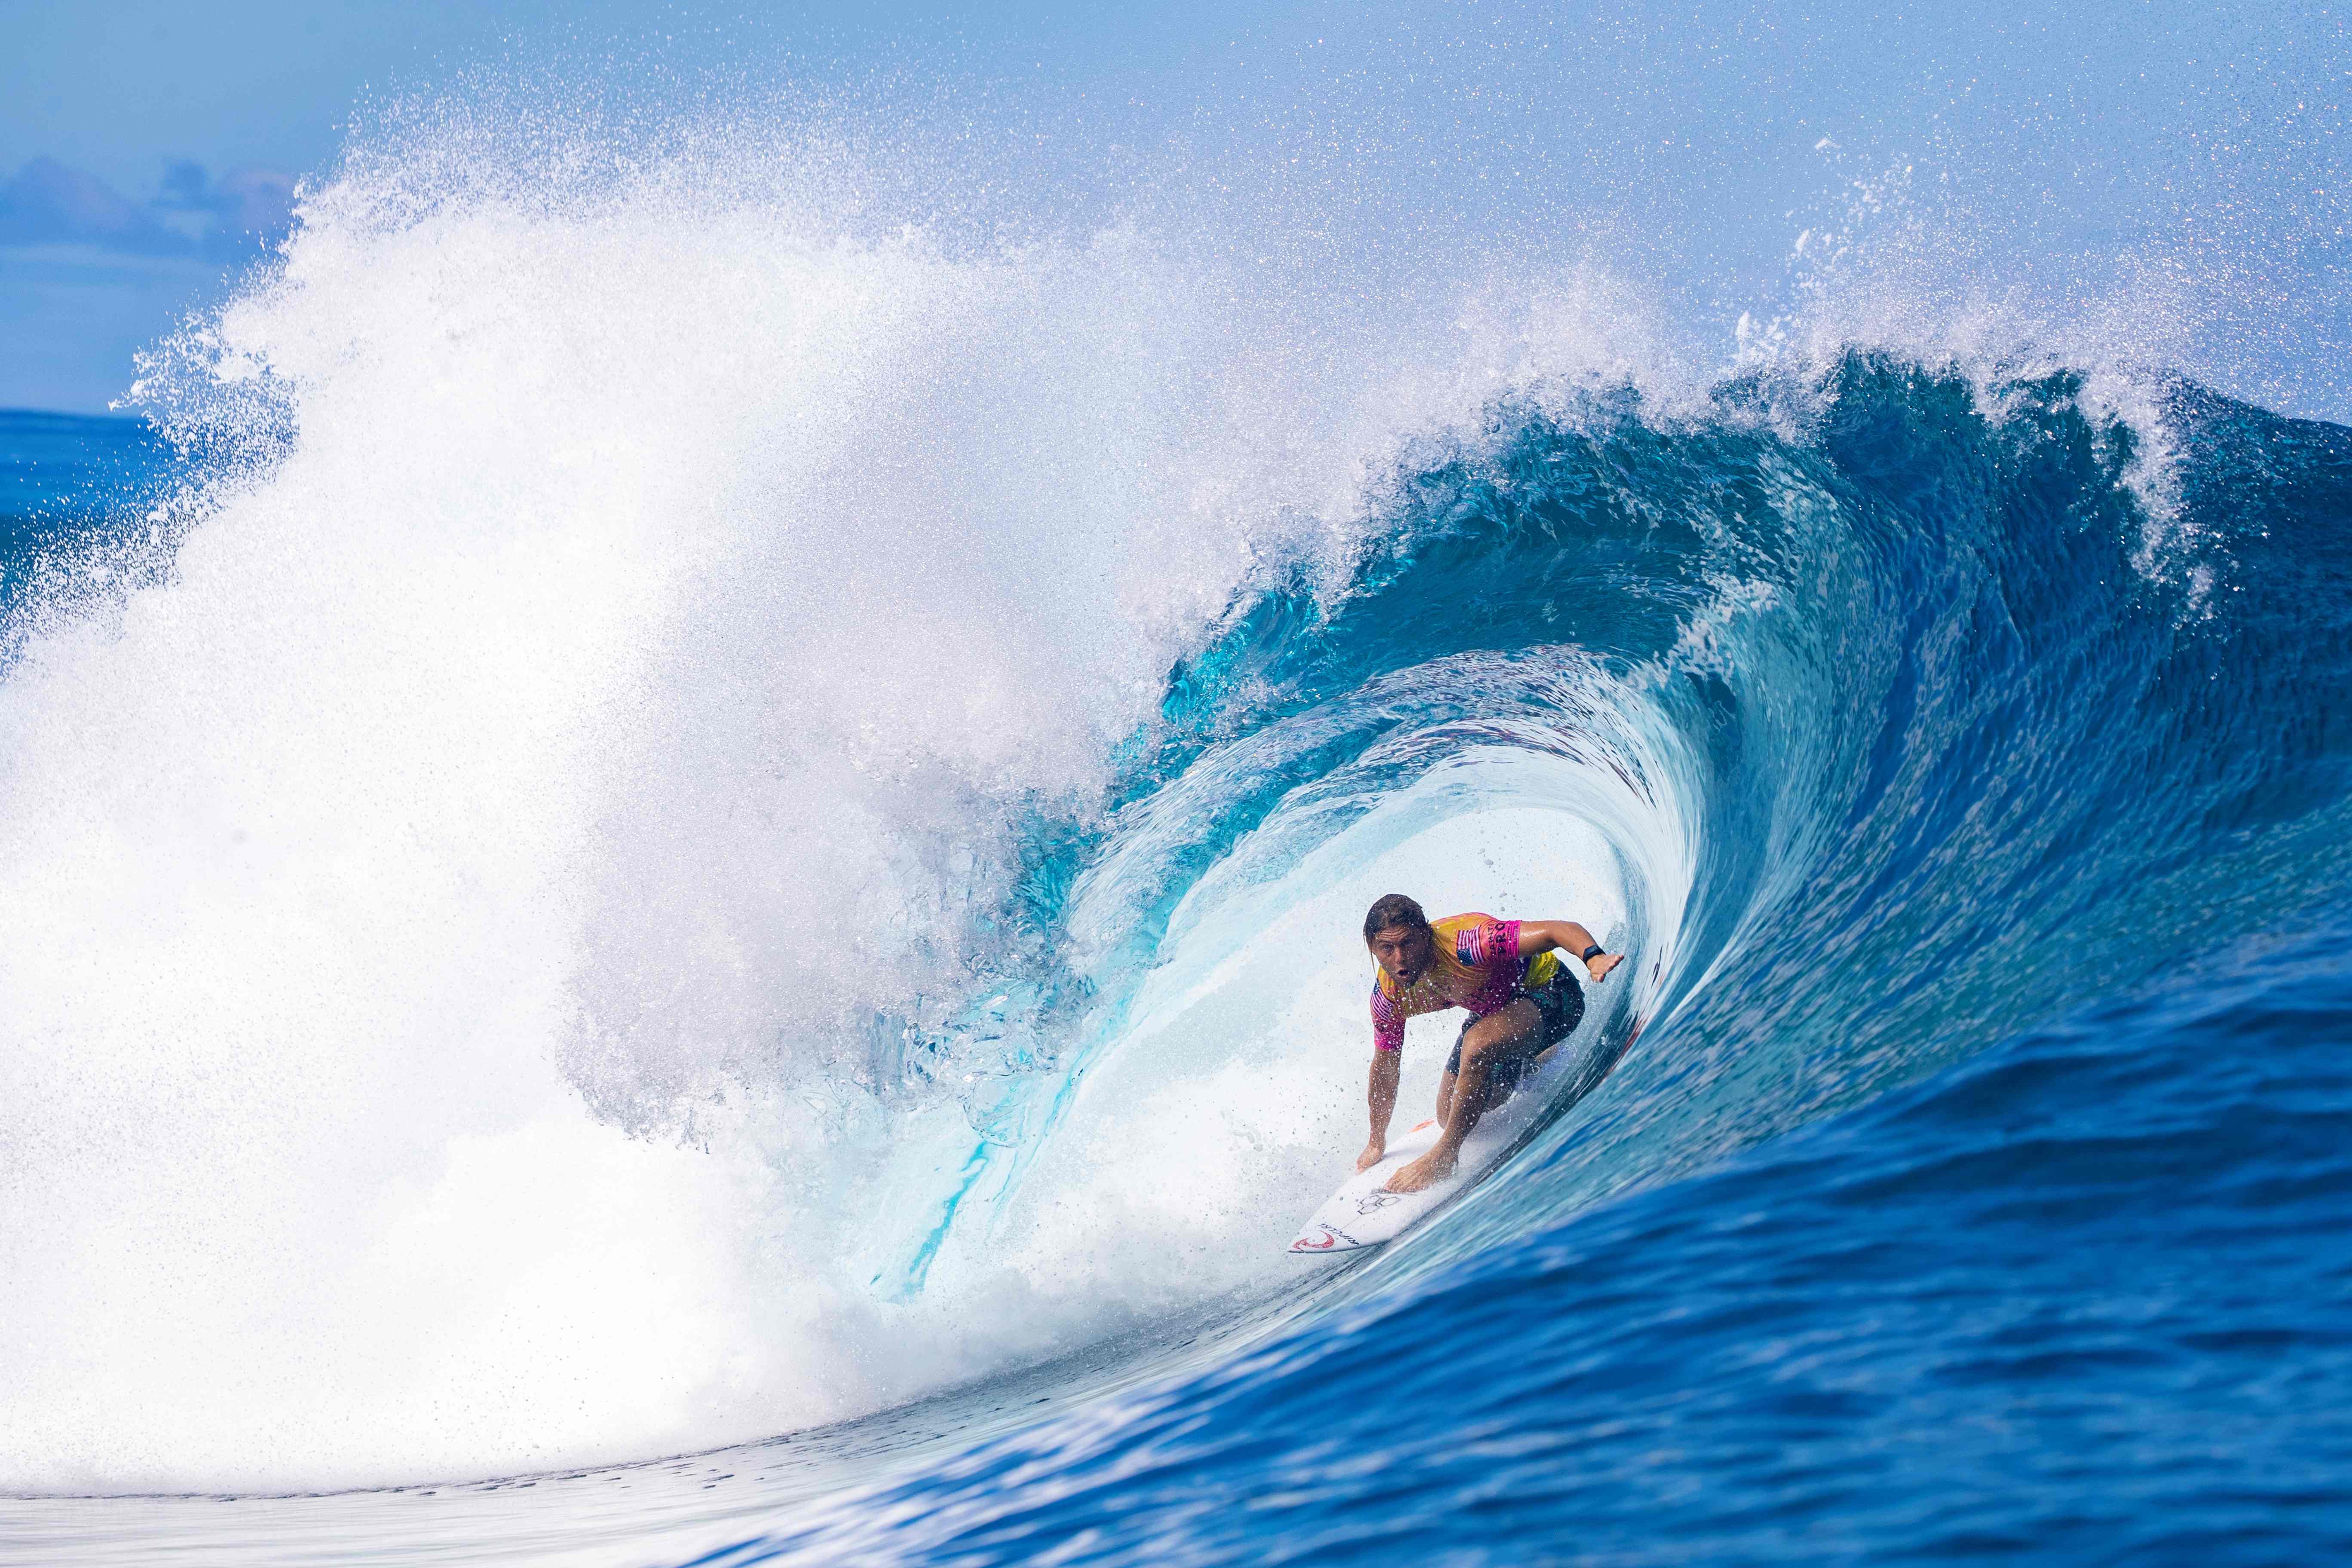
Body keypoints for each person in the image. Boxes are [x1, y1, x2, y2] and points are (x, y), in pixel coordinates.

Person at [1357, 893, 1623, 1194]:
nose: (1400, 958)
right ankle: (1535, 1063)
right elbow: (1386, 1066)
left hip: (1553, 995)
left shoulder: (1468, 946)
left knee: (1477, 1046)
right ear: (1373, 949)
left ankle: (1445, 1156)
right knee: (1450, 1114)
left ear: (1426, 935)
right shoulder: (1389, 997)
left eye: (1408, 943)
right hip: (1496, 1013)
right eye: (1387, 949)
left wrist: (1593, 957)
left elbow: (1555, 930)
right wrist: (1376, 1141)